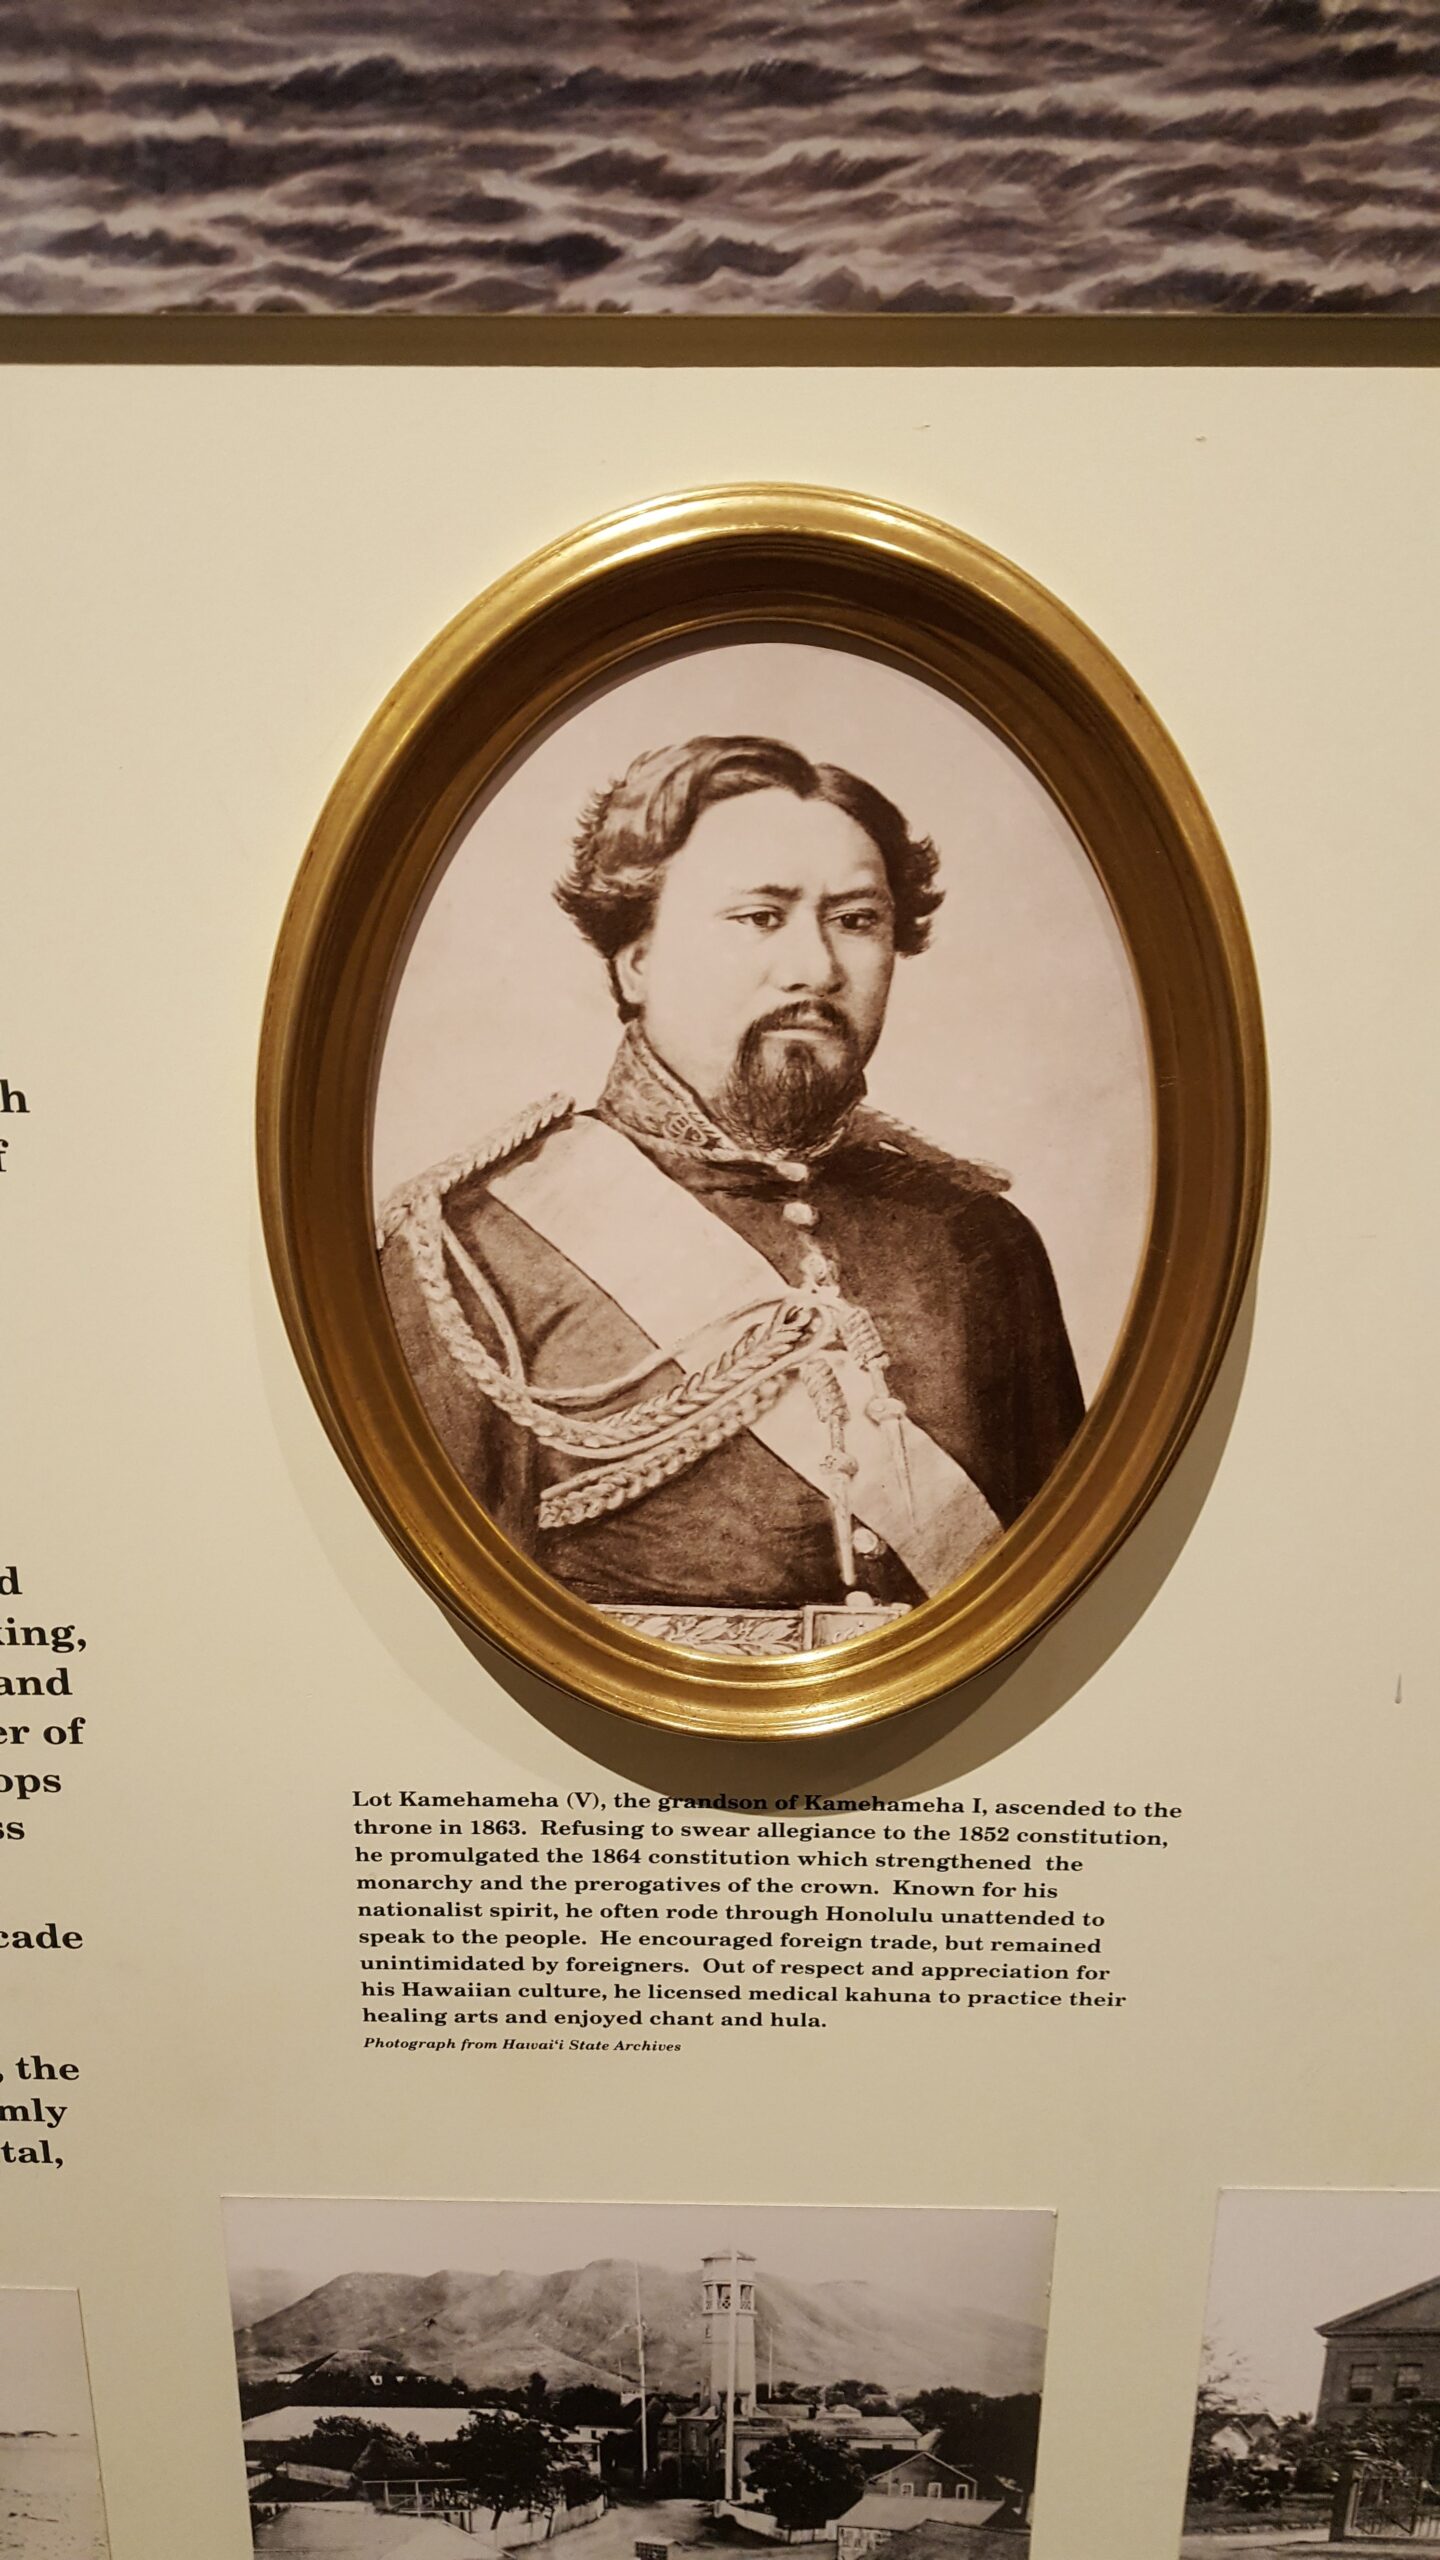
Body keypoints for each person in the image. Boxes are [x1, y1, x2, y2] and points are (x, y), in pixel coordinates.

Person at [379, 735, 1082, 1652]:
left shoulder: (976, 1239)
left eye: (856, 920)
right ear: (636, 959)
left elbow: (1058, 1608)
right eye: (759, 917)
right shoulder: (469, 1252)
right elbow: (438, 1639)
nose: (816, 968)